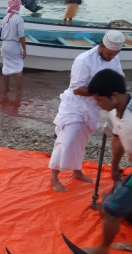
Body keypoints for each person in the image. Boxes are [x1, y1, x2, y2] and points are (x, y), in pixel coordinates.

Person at [49, 30, 126, 192]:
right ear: (101, 46)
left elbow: (119, 78)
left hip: (95, 106)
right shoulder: (84, 60)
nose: (112, 57)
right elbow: (77, 89)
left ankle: (76, 171)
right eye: (110, 53)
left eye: (115, 54)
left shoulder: (115, 58)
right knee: (67, 139)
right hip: (75, 106)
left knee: (81, 141)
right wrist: (102, 91)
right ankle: (54, 176)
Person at [79, 69, 132, 254]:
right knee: (109, 205)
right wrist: (115, 166)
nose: (98, 105)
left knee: (110, 209)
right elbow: (117, 139)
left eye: (100, 100)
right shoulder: (116, 111)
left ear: (115, 95)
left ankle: (102, 250)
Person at [0, 0, 26, 89]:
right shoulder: (18, 19)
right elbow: (21, 36)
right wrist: (24, 49)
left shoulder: (5, 18)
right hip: (14, 46)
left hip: (5, 45)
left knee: (6, 68)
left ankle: (6, 90)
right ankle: (19, 91)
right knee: (18, 68)